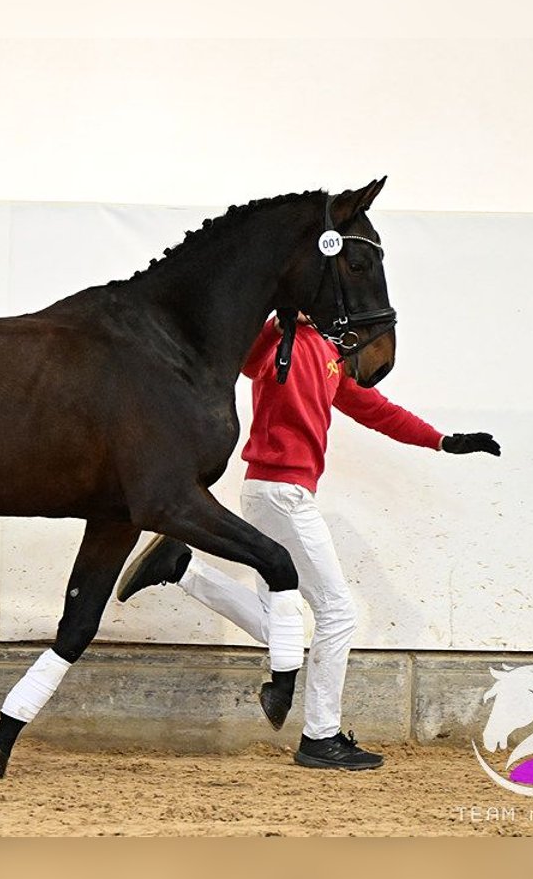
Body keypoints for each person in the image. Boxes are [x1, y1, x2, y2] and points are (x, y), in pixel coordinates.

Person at [116, 314, 500, 770]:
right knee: (337, 613)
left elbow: (378, 410)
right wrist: (277, 321)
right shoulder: (280, 339)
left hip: (271, 493)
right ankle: (321, 736)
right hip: (284, 496)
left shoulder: (328, 352)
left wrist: (442, 440)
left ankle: (181, 569)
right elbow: (248, 360)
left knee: (277, 624)